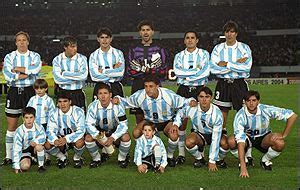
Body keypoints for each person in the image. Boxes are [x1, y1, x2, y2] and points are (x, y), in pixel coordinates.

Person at [114, 75, 196, 167]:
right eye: (146, 86)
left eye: (151, 86)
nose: (148, 89)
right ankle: (145, 153)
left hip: (166, 121)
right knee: (136, 132)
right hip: (149, 122)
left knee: (174, 134)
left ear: (157, 86)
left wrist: (191, 101)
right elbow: (126, 102)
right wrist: (118, 99)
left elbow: (185, 102)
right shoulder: (140, 95)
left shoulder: (168, 95)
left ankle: (169, 156)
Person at [227, 90, 298, 178]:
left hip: (263, 137)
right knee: (231, 141)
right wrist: (243, 167)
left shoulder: (265, 109)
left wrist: (284, 134)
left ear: (258, 101)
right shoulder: (240, 115)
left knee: (280, 143)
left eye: (254, 100)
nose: (251, 103)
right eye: (248, 101)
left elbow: (292, 115)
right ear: (244, 102)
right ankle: (245, 160)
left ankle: (265, 160)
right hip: (247, 139)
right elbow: (241, 142)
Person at [210, 20, 253, 161]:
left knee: (244, 114)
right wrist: (236, 64)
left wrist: (226, 64)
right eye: (227, 31)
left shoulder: (244, 48)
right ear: (224, 33)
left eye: (232, 31)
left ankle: (248, 153)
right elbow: (214, 69)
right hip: (223, 84)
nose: (229, 34)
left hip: (239, 84)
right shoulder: (217, 49)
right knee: (220, 117)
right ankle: (220, 152)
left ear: (236, 33)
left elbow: (246, 68)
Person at [2, 31, 42, 165]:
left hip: (30, 91)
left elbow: (36, 70)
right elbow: (7, 75)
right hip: (14, 92)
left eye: (24, 40)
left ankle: (34, 153)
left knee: (33, 125)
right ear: (15, 42)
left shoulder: (35, 56)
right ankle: (9, 156)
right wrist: (25, 73)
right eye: (19, 40)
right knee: (12, 125)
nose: (21, 42)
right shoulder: (9, 57)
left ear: (28, 42)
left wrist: (18, 70)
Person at [173, 31, 210, 164]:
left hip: (200, 89)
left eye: (192, 38)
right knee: (182, 121)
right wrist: (196, 71)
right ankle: (181, 153)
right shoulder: (179, 56)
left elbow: (206, 72)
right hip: (183, 89)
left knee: (199, 121)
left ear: (197, 40)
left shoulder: (204, 54)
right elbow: (177, 72)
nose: (190, 40)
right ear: (184, 40)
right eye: (187, 38)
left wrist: (186, 74)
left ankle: (200, 154)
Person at [173, 86, 228, 171]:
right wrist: (176, 124)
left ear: (211, 98)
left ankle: (219, 160)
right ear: (197, 98)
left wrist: (212, 160)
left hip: (214, 134)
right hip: (200, 135)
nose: (204, 100)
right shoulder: (192, 109)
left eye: (207, 97)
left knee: (225, 143)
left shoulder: (217, 113)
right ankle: (199, 159)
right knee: (188, 142)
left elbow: (215, 138)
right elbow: (181, 113)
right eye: (201, 97)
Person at [127, 20, 168, 124]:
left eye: (148, 30)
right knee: (139, 117)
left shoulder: (159, 48)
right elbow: (129, 71)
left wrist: (147, 70)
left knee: (156, 116)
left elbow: (164, 70)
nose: (145, 32)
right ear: (140, 33)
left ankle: (155, 139)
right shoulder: (133, 49)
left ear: (152, 32)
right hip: (138, 84)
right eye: (143, 30)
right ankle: (140, 140)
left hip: (155, 84)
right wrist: (147, 71)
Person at [85, 83, 131, 168]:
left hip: (114, 130)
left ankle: (122, 158)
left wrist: (113, 137)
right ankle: (96, 159)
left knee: (126, 137)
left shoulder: (117, 106)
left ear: (110, 95)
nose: (103, 96)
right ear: (97, 96)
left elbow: (123, 124)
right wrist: (98, 136)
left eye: (105, 93)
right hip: (100, 131)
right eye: (100, 93)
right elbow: (88, 124)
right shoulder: (92, 106)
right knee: (88, 138)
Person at [44, 92, 86, 169]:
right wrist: (55, 140)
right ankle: (62, 157)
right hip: (60, 138)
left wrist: (66, 139)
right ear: (57, 103)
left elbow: (81, 130)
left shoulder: (78, 111)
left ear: (70, 102)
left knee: (80, 142)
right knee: (47, 144)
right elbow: (50, 130)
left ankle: (77, 158)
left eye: (65, 101)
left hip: (74, 137)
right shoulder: (53, 113)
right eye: (60, 102)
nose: (62, 104)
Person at [52, 36, 88, 111]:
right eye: (72, 47)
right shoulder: (57, 60)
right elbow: (58, 80)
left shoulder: (82, 58)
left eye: (75, 46)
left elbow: (84, 76)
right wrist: (77, 78)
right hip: (63, 93)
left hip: (77, 94)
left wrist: (65, 73)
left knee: (80, 119)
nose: (75, 49)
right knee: (61, 120)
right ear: (65, 47)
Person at [89, 27, 125, 100]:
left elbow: (120, 72)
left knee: (117, 110)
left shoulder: (118, 53)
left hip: (115, 87)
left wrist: (103, 71)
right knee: (98, 111)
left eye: (107, 37)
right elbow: (94, 76)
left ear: (111, 39)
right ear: (98, 39)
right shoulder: (93, 55)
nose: (104, 40)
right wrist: (113, 70)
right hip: (100, 87)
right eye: (102, 37)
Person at [27, 79, 55, 165]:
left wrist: (51, 125)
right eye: (37, 88)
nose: (39, 90)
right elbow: (28, 111)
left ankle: (47, 157)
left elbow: (52, 113)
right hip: (34, 125)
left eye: (41, 88)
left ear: (46, 88)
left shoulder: (49, 100)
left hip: (45, 124)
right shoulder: (32, 99)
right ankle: (35, 156)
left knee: (45, 141)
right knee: (34, 140)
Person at [12, 107, 46, 173]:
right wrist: (16, 166)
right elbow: (16, 148)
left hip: (34, 149)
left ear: (34, 118)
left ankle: (41, 166)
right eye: (26, 118)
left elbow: (43, 137)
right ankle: (33, 159)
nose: (29, 120)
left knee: (39, 147)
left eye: (31, 117)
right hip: (24, 152)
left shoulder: (39, 126)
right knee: (25, 167)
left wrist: (36, 142)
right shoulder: (19, 131)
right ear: (23, 118)